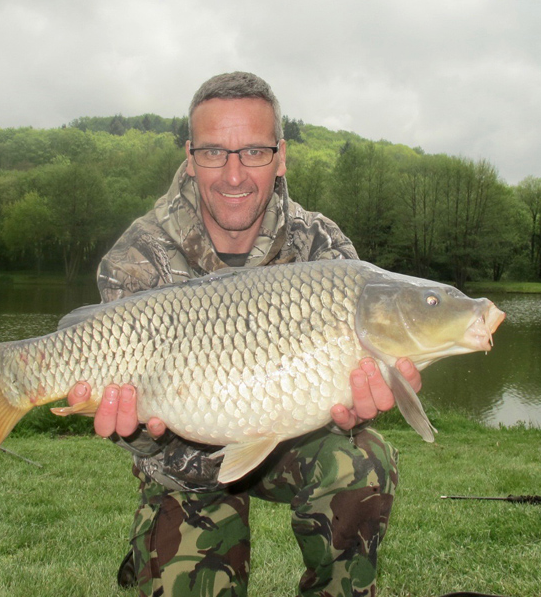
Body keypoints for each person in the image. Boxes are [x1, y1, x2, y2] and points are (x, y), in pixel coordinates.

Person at [67, 71, 422, 597]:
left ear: (280, 156)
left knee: (364, 457)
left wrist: (359, 402)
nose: (234, 175)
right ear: (190, 157)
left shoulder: (322, 246)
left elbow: (352, 392)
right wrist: (133, 426)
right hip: (182, 458)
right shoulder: (141, 254)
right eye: (214, 152)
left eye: (253, 152)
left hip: (294, 443)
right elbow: (139, 430)